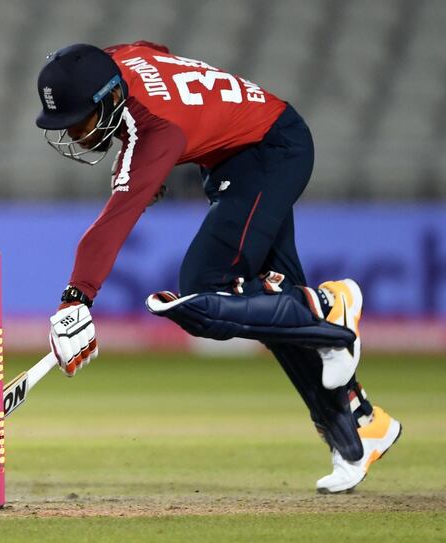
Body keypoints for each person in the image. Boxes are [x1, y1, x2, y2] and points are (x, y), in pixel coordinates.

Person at [36, 41, 401, 493]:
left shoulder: (158, 130)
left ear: (110, 96)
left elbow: (116, 219)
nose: (73, 135)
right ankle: (361, 427)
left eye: (79, 121)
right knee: (273, 310)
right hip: (244, 154)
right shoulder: (117, 62)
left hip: (269, 153)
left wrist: (77, 297)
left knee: (205, 288)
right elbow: (156, 50)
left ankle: (330, 304)